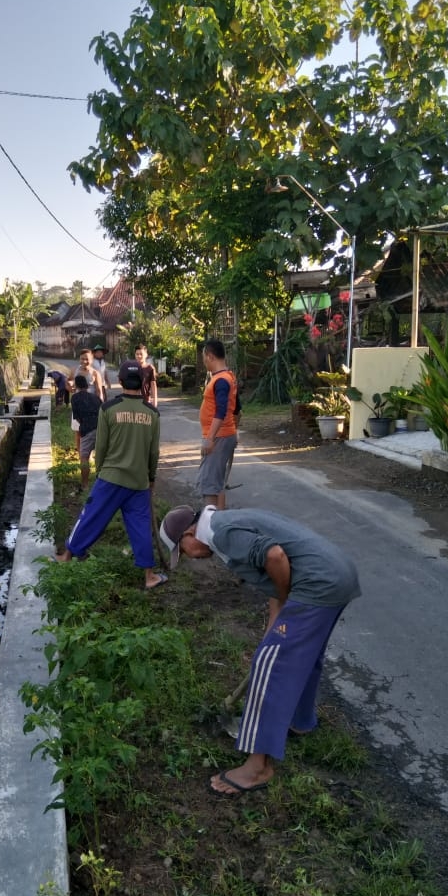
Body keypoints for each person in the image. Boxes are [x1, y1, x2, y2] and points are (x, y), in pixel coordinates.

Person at [159, 504, 361, 797]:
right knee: (301, 656)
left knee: (270, 668)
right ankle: (300, 722)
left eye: (183, 550)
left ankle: (257, 767)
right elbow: (273, 579)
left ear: (189, 532)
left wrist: (286, 599)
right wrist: (272, 633)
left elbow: (275, 556)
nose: (190, 556)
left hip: (317, 582)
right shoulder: (227, 522)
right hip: (336, 575)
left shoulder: (220, 533)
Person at [54, 360, 167, 590]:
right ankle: (149, 576)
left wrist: (100, 472)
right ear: (143, 382)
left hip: (111, 479)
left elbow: (101, 447)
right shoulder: (152, 414)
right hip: (138, 482)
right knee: (141, 527)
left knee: (91, 516)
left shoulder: (108, 410)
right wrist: (151, 479)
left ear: (121, 381)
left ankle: (67, 556)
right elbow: (153, 453)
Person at [197, 339, 238, 510]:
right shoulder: (229, 377)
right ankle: (219, 521)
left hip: (219, 438)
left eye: (204, 357)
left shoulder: (221, 381)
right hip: (225, 434)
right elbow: (237, 408)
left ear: (210, 356)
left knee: (210, 485)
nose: (204, 361)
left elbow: (221, 411)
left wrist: (210, 439)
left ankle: (210, 526)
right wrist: (235, 431)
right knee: (218, 482)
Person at [70, 373, 101, 491]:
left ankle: (85, 484)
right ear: (87, 385)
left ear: (76, 385)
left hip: (86, 429)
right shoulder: (95, 397)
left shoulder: (75, 398)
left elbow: (77, 417)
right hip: (100, 429)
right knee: (101, 457)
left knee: (84, 457)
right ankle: (101, 484)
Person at [134, 343, 158, 408]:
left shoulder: (150, 368)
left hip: (145, 401)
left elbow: (153, 385)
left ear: (146, 355)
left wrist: (155, 401)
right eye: (137, 354)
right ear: (135, 355)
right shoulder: (131, 367)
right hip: (133, 401)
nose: (139, 356)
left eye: (141, 354)